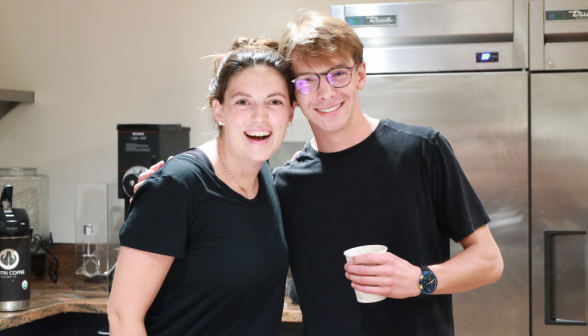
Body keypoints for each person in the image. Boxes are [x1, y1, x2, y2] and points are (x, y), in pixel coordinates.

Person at [136, 11, 504, 336]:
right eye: (307, 80)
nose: (325, 93)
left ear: (360, 74)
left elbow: (489, 261)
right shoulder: (284, 184)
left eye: (338, 74)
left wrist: (421, 279)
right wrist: (163, 183)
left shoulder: (421, 150)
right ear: (294, 96)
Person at [107, 37, 295, 336]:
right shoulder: (177, 185)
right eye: (243, 101)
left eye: (274, 101)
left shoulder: (263, 177)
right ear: (219, 110)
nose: (260, 117)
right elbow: (122, 316)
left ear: (290, 112)